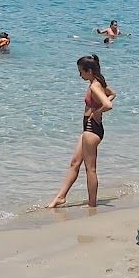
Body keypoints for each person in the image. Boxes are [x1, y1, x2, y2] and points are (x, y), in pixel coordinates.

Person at [47, 55, 114, 209]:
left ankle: (92, 205)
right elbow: (112, 93)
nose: (79, 75)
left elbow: (108, 104)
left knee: (90, 169)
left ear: (88, 70)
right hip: (88, 129)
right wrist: (97, 109)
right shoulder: (98, 82)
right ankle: (61, 197)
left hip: (92, 129)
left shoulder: (94, 86)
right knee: (74, 163)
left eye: (81, 72)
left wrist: (97, 112)